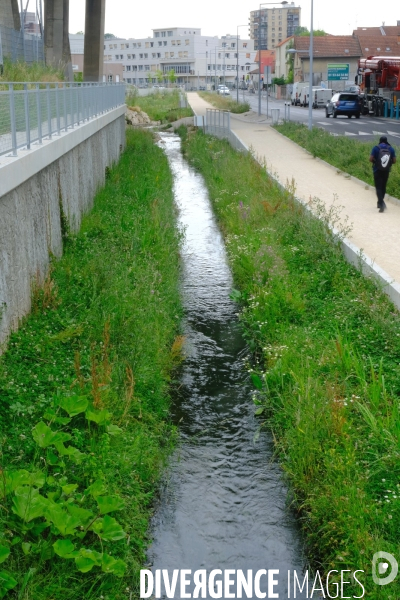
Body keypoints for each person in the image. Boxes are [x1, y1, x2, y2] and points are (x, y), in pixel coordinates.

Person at [369, 136, 397, 212]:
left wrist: (376, 161)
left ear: (380, 141)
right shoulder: (390, 148)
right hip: (386, 170)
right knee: (383, 186)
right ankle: (380, 202)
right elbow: (394, 161)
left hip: (377, 170)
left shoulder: (376, 148)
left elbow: (370, 159)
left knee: (378, 187)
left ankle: (381, 203)